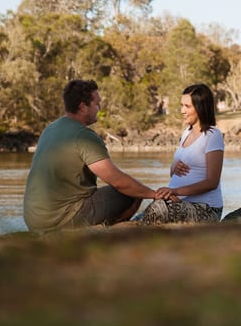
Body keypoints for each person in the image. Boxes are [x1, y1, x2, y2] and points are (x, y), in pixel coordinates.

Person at [23, 79, 175, 233]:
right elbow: (117, 180)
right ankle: (109, 230)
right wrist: (153, 194)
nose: (99, 108)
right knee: (133, 192)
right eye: (97, 103)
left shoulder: (50, 129)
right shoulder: (83, 135)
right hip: (62, 219)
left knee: (131, 188)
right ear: (83, 106)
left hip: (34, 220)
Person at [142, 83, 225, 224]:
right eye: (181, 105)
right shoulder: (186, 133)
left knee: (157, 209)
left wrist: (175, 191)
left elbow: (212, 182)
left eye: (187, 106)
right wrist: (174, 167)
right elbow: (174, 173)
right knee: (148, 209)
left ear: (200, 107)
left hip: (206, 208)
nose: (182, 111)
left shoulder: (213, 135)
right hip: (180, 202)